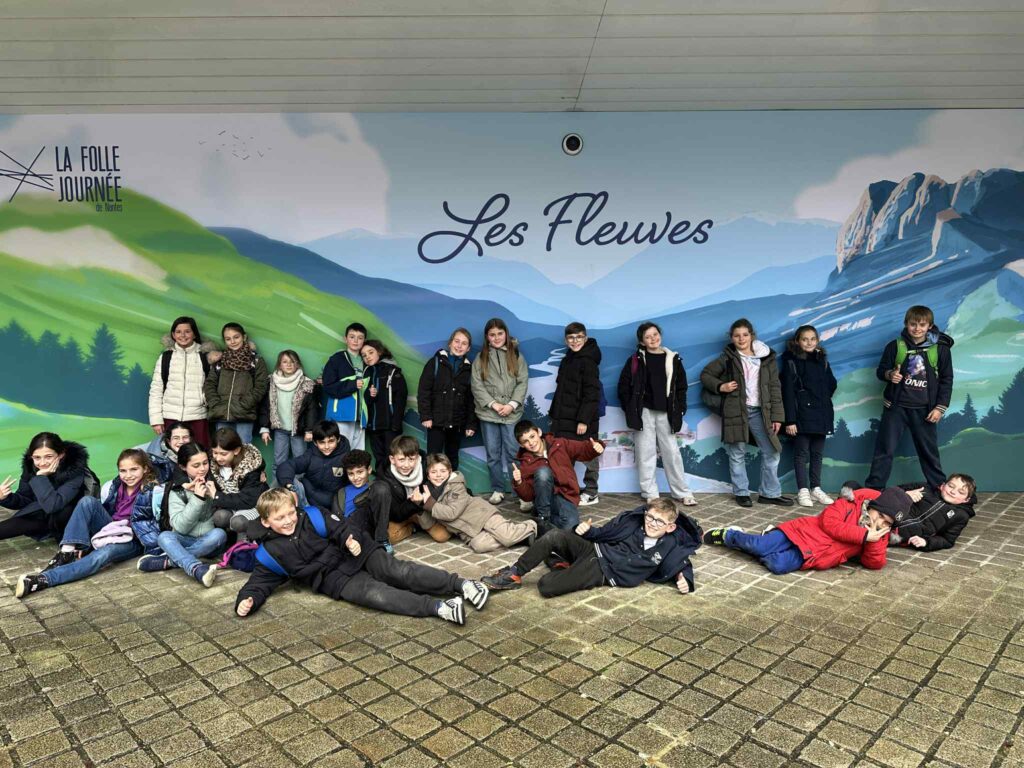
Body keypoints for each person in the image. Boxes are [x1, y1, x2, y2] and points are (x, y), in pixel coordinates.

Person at [234, 488, 490, 625]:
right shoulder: (268, 554)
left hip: (355, 552)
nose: (289, 520)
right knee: (377, 595)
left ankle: (462, 585)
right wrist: (247, 600)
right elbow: (259, 582)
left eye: (291, 513)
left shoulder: (312, 515)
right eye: (280, 518)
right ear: (266, 521)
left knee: (398, 572)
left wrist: (350, 539)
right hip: (333, 579)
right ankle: (439, 608)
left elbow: (343, 527)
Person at [482, 498, 701, 597]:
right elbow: (605, 533)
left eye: (659, 522)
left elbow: (681, 562)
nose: (652, 524)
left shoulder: (671, 544)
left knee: (545, 586)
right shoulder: (634, 525)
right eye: (650, 517)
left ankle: (560, 563)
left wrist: (684, 579)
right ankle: (514, 574)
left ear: (670, 527)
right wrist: (586, 531)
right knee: (554, 535)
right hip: (595, 550)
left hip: (601, 572)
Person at [14, 450, 160, 598]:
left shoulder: (154, 491)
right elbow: (104, 513)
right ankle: (67, 552)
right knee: (87, 501)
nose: (128, 475)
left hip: (133, 539)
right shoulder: (114, 485)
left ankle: (42, 580)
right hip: (111, 528)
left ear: (145, 469)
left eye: (134, 469)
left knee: (102, 554)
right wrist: (86, 542)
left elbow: (159, 524)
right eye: (123, 470)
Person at [702, 484, 912, 574]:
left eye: (888, 523)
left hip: (813, 555)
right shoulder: (848, 504)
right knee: (757, 545)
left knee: (777, 565)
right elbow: (830, 524)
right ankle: (729, 535)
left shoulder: (877, 535)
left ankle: (766, 541)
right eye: (880, 516)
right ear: (873, 506)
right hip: (799, 533)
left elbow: (874, 563)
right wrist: (864, 534)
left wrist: (874, 540)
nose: (881, 523)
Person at [700, 318, 792, 508]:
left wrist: (777, 417)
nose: (741, 339)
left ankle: (769, 493)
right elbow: (706, 375)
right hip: (736, 410)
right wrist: (721, 386)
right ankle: (741, 492)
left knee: (772, 451)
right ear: (731, 338)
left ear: (752, 336)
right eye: (737, 336)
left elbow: (775, 388)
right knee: (737, 453)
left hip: (760, 412)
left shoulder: (766, 358)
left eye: (745, 335)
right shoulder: (727, 358)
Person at [866, 306, 954, 490]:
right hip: (896, 408)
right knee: (884, 450)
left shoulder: (940, 349)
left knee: (929, 452)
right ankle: (873, 489)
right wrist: (890, 375)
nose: (917, 328)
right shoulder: (895, 346)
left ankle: (939, 487)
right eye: (913, 324)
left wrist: (940, 407)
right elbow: (881, 371)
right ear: (906, 324)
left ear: (930, 326)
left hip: (925, 409)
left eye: (922, 325)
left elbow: (947, 379)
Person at [617, 321, 696, 506]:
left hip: (667, 412)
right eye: (648, 337)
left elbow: (681, 387)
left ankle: (681, 492)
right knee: (645, 453)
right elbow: (623, 386)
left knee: (672, 454)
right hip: (643, 412)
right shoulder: (635, 360)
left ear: (660, 335)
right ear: (642, 342)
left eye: (655, 334)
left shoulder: (673, 359)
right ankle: (650, 493)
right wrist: (631, 408)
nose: (653, 339)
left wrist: (680, 409)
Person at [138, 443, 226, 587]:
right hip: (185, 539)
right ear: (183, 467)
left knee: (219, 534)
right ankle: (196, 569)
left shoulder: (215, 482)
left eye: (205, 463)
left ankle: (170, 560)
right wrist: (197, 498)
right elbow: (181, 527)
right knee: (164, 537)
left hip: (209, 542)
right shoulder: (177, 490)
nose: (202, 469)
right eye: (196, 465)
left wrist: (216, 496)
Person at [419, 453, 536, 552]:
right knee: (479, 546)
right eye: (433, 472)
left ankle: (533, 525)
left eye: (443, 471)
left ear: (449, 472)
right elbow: (429, 520)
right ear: (428, 475)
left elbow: (452, 513)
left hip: (483, 516)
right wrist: (419, 503)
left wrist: (429, 504)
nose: (438, 475)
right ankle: (523, 537)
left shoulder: (456, 485)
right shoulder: (428, 494)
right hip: (469, 530)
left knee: (506, 536)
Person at [471, 318, 529, 505]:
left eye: (500, 334)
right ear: (487, 337)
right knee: (493, 454)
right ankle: (497, 489)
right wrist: (493, 404)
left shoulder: (516, 355)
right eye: (492, 335)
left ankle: (521, 492)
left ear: (506, 334)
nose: (496, 338)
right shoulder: (480, 358)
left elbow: (522, 382)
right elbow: (477, 385)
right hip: (489, 414)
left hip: (511, 413)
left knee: (513, 453)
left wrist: (511, 404)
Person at [779, 325, 838, 507]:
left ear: (817, 341)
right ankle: (802, 490)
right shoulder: (791, 361)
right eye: (804, 339)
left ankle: (816, 488)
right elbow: (787, 392)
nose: (809, 342)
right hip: (801, 415)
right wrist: (790, 420)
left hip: (821, 414)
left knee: (817, 454)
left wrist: (821, 399)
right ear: (797, 341)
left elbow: (832, 384)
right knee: (801, 454)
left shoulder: (822, 360)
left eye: (813, 339)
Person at [0, 432, 94, 543]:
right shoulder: (31, 467)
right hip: (44, 517)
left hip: (70, 520)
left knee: (62, 510)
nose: (42, 463)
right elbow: (25, 500)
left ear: (61, 454)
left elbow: (53, 505)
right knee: (23, 520)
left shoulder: (74, 471)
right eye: (37, 457)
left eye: (48, 457)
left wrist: (41, 477)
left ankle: (69, 541)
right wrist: (5, 497)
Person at [511, 421, 603, 531]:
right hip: (543, 499)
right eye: (525, 441)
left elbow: (581, 449)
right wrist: (519, 482)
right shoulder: (526, 462)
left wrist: (595, 447)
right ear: (521, 445)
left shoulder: (559, 444)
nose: (531, 442)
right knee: (543, 472)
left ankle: (539, 521)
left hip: (565, 495)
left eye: (532, 436)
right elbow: (528, 496)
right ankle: (543, 517)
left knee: (570, 526)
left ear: (539, 432)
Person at [549, 322, 604, 506]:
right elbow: (561, 390)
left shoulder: (588, 361)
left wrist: (583, 420)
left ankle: (591, 492)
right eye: (571, 338)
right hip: (565, 418)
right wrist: (554, 415)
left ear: (585, 338)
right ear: (566, 340)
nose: (575, 341)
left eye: (579, 337)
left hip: (582, 420)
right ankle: (568, 490)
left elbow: (592, 393)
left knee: (589, 454)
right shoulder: (569, 358)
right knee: (565, 456)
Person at [147, 316, 217, 448]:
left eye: (187, 331)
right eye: (178, 332)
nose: (183, 335)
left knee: (199, 454)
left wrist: (204, 400)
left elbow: (213, 386)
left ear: (194, 334)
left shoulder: (205, 356)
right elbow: (156, 389)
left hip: (198, 417)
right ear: (173, 335)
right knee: (172, 455)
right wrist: (156, 420)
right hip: (170, 417)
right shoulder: (166, 357)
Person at [418, 328, 478, 470]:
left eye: (464, 343)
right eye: (457, 341)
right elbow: (424, 391)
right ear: (450, 343)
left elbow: (472, 400)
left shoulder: (469, 370)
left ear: (468, 348)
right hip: (436, 422)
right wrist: (426, 416)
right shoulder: (435, 363)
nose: (459, 346)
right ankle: (430, 483)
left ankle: (453, 483)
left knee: (452, 457)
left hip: (457, 423)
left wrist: (471, 424)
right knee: (433, 458)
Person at [204, 322, 270, 445]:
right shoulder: (220, 361)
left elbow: (261, 386)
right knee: (223, 448)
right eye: (228, 339)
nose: (233, 341)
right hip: (221, 413)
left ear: (244, 337)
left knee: (244, 448)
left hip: (244, 414)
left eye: (236, 337)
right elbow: (209, 384)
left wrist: (245, 404)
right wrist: (215, 404)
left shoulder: (256, 360)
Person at [378, 436, 451, 545]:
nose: (406, 465)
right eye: (401, 460)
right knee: (390, 536)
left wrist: (422, 502)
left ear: (417, 457)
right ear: (392, 459)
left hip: (423, 512)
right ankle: (412, 528)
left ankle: (421, 525)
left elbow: (449, 483)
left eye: (411, 459)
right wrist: (413, 503)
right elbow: (395, 514)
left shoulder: (428, 465)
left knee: (442, 535)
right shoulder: (385, 478)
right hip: (403, 513)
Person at [258, 349, 320, 478]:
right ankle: (278, 489)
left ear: (298, 364)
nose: (289, 364)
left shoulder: (307, 384)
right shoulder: (271, 382)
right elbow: (265, 407)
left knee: (300, 462)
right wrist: (264, 428)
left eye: (293, 361)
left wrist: (309, 430)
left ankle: (299, 488)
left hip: (299, 430)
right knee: (279, 462)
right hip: (280, 430)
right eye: (285, 362)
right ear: (279, 365)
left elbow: (312, 409)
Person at [276, 420, 351, 513]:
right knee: (284, 480)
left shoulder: (346, 457)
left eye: (331, 441)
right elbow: (287, 466)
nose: (327, 446)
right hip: (307, 502)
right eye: (322, 442)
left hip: (334, 506)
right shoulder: (311, 455)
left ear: (338, 439)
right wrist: (290, 487)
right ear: (315, 443)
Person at [890, 473, 977, 551]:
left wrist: (926, 542)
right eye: (951, 486)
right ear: (942, 486)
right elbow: (888, 493)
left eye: (961, 492)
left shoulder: (961, 516)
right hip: (887, 518)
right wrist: (906, 494)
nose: (953, 492)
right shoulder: (924, 488)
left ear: (966, 499)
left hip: (898, 536)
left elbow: (947, 540)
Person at [209, 427, 269, 533]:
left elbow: (248, 500)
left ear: (236, 450)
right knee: (219, 517)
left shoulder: (250, 466)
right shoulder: (212, 463)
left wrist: (217, 496)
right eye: (215, 453)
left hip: (252, 505)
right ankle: (227, 538)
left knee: (238, 522)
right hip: (230, 503)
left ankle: (246, 540)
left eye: (223, 454)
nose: (218, 458)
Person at [361, 340, 409, 471]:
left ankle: (393, 483)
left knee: (393, 458)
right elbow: (364, 401)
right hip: (373, 426)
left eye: (371, 352)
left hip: (390, 426)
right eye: (364, 355)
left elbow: (401, 398)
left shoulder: (392, 371)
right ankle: (381, 482)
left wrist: (396, 424)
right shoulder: (366, 373)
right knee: (379, 458)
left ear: (379, 352)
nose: (367, 357)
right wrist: (369, 395)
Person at [330, 449, 391, 550]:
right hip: (348, 531)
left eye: (360, 472)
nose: (356, 477)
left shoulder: (376, 488)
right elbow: (335, 518)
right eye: (351, 474)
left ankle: (382, 540)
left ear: (369, 470)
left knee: (381, 489)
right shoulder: (341, 492)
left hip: (367, 525)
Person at [322, 322, 368, 450]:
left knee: (359, 453)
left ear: (364, 340)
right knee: (341, 451)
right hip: (341, 415)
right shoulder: (336, 359)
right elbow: (328, 386)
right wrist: (353, 384)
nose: (356, 341)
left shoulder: (366, 361)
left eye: (360, 338)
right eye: (352, 337)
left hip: (361, 417)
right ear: (345, 339)